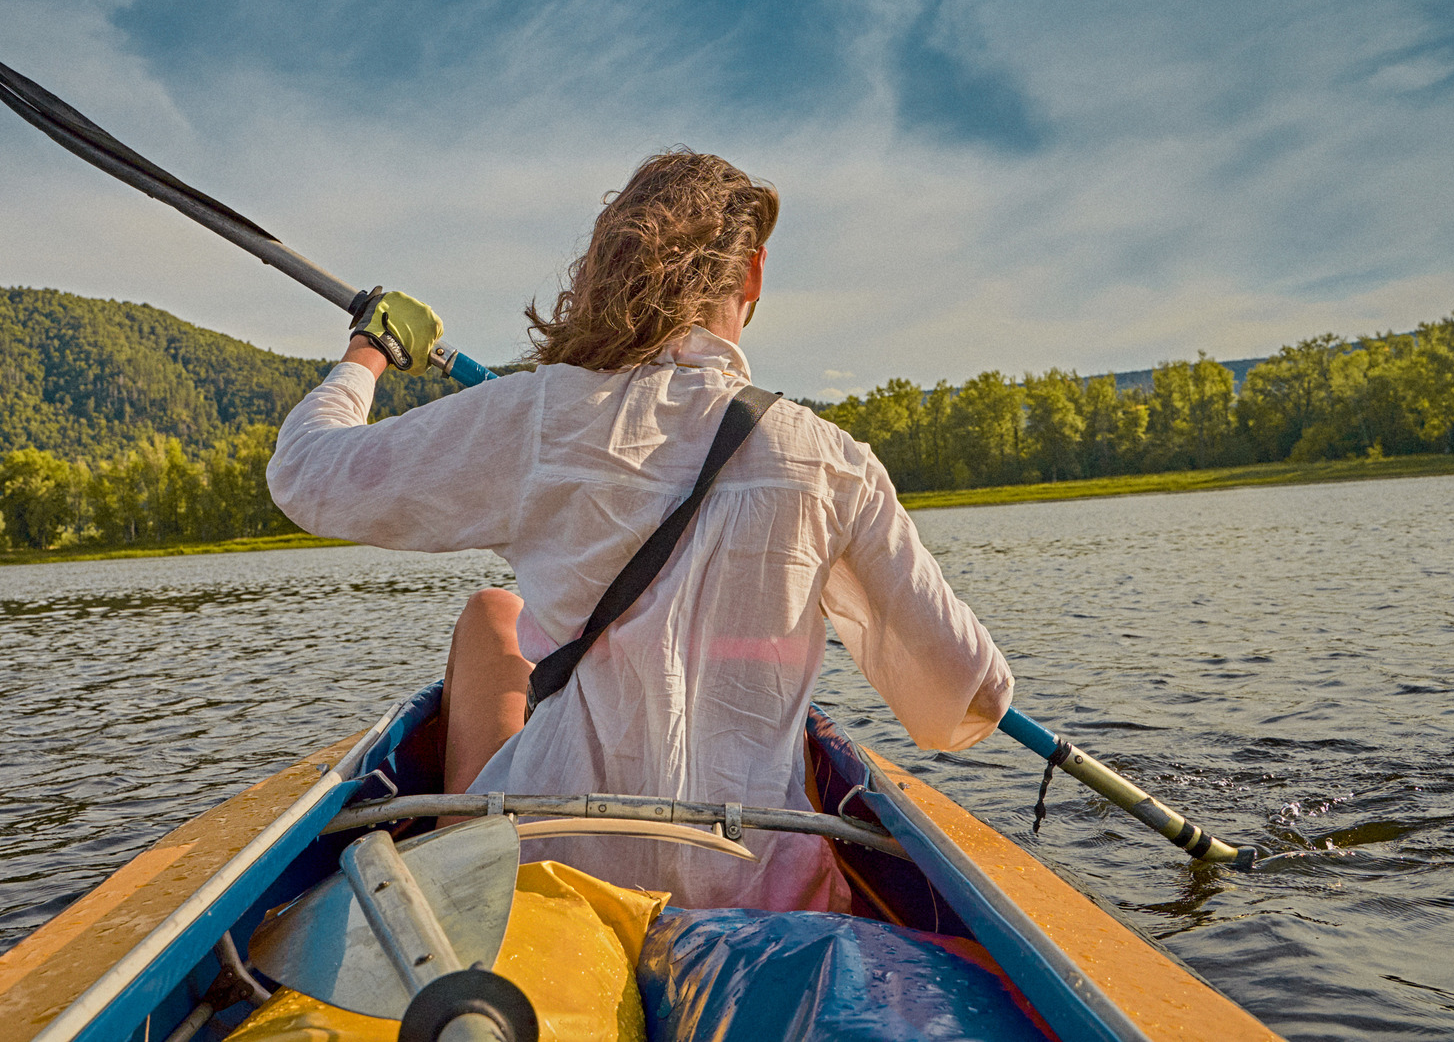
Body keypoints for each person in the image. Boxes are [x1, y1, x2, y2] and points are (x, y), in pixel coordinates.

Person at [267, 150, 1011, 912]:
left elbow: (304, 471)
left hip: (553, 869)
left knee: (492, 613)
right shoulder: (831, 461)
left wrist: (372, 349)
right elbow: (967, 701)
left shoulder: (541, 414)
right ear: (753, 274)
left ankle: (460, 858)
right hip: (752, 886)